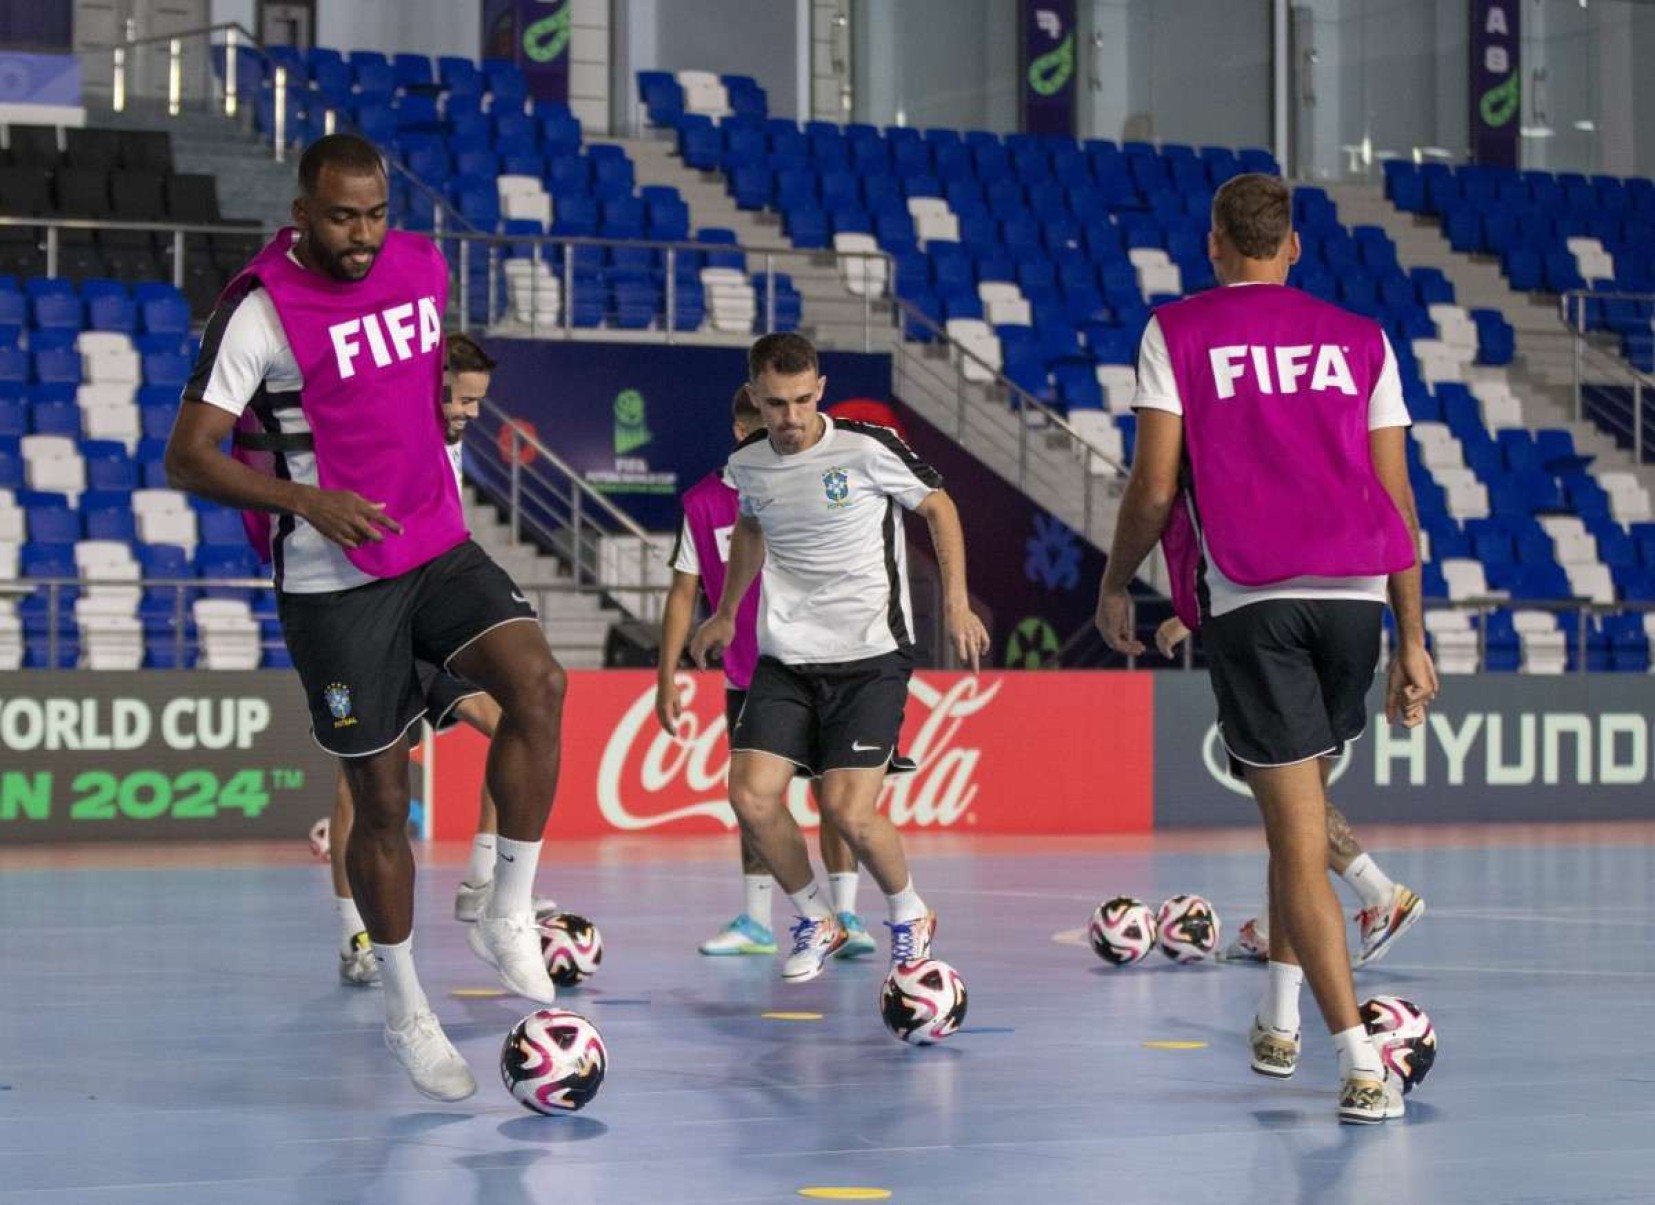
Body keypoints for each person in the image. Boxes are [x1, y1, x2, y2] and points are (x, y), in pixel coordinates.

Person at [165, 134, 567, 1103]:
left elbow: (403, 389)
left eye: (375, 212)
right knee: (382, 803)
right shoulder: (257, 312)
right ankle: (405, 1008)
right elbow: (188, 455)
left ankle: (506, 907)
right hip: (330, 581)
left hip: (433, 543)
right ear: (300, 211)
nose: (362, 234)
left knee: (538, 684)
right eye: (341, 216)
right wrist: (306, 501)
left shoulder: (423, 265)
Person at [1093, 172, 1437, 1124]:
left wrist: (1116, 579)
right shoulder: (1362, 340)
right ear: (1292, 248)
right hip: (1357, 602)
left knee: (1291, 828)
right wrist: (1412, 636)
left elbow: (1155, 489)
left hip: (1254, 594)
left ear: (1212, 246)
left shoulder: (1177, 331)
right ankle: (1278, 1012)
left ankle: (1358, 1060)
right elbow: (1399, 502)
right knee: (1297, 814)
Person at [688, 333, 990, 985]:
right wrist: (724, 609)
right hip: (785, 658)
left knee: (849, 812)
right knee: (750, 797)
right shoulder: (747, 462)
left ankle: (909, 914)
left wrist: (957, 603)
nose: (790, 418)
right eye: (775, 404)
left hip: (868, 655)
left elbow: (939, 507)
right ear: (755, 400)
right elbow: (749, 527)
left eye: (801, 400)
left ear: (819, 388)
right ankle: (814, 917)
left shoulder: (864, 448)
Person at [329, 332, 554, 989]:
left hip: (427, 620)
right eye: (460, 397)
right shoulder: (378, 434)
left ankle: (484, 883)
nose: (471, 412)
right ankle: (356, 935)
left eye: (480, 400)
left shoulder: (451, 443)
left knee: (519, 715)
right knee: (361, 784)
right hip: (366, 620)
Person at [657, 384, 877, 959]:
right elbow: (682, 594)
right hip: (748, 675)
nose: (783, 430)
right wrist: (665, 677)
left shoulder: (814, 482)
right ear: (740, 430)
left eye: (793, 417)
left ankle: (847, 912)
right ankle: (757, 922)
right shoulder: (703, 503)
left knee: (836, 793)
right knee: (753, 802)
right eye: (765, 420)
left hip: (822, 663)